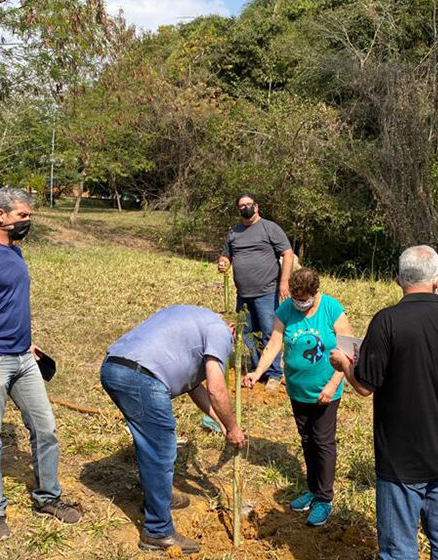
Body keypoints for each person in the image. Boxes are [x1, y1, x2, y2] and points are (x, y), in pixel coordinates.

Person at [331, 246, 438, 560]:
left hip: (399, 461)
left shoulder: (386, 322)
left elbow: (364, 386)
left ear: (398, 280)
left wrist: (345, 365)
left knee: (399, 550)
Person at [0, 188, 80, 541]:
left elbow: (10, 303)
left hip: (23, 357)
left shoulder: (16, 252)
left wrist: (27, 342)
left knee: (46, 428)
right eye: (23, 216)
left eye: (28, 215)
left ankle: (47, 498)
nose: (28, 221)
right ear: (0, 215)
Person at [101, 305, 246, 554]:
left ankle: (158, 499)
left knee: (151, 444)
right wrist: (234, 428)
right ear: (232, 330)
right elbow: (216, 389)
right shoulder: (220, 331)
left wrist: (221, 422)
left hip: (114, 367)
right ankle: (157, 531)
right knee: (161, 448)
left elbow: (195, 388)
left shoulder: (194, 322)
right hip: (142, 376)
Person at [243, 268, 352, 527]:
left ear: (315, 293)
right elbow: (273, 345)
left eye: (304, 299)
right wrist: (257, 373)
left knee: (323, 442)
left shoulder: (331, 309)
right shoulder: (286, 311)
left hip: (326, 390)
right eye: (296, 298)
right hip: (297, 390)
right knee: (306, 440)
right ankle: (313, 490)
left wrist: (334, 383)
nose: (299, 303)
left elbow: (348, 349)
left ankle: (324, 499)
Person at [217, 192, 294, 391]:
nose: (245, 208)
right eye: (241, 206)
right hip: (243, 293)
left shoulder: (269, 228)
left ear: (257, 207)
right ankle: (257, 369)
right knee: (249, 334)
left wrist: (284, 281)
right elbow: (226, 255)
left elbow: (287, 252)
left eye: (249, 204)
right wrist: (223, 262)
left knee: (270, 332)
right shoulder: (234, 233)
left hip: (267, 291)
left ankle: (274, 373)